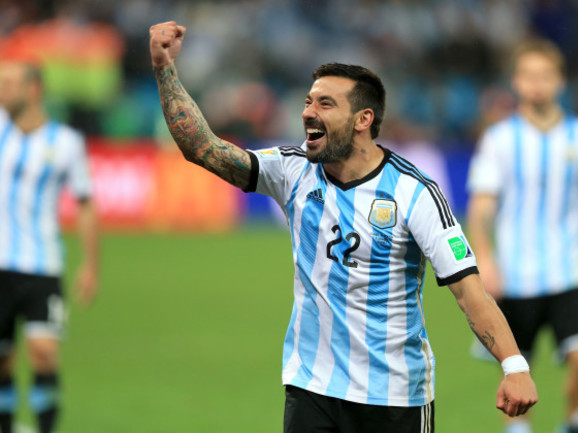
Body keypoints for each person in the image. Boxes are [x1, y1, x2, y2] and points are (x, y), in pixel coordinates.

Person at [149, 21, 537, 433]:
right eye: (308, 101)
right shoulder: (292, 169)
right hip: (312, 387)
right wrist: (163, 67)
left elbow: (468, 291)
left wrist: (513, 365)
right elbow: (203, 148)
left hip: (394, 397)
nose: (307, 112)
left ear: (362, 119)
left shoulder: (414, 193)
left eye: (325, 104)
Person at [467, 39, 578, 433]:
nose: (537, 84)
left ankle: (573, 426)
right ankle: (519, 429)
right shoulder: (500, 139)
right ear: (517, 82)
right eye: (529, 76)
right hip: (516, 275)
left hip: (571, 271)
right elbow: (481, 208)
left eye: (545, 76)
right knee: (517, 371)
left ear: (560, 81)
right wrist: (485, 259)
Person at [0, 58, 100, 433]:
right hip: (0, 264)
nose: (2, 91)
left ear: (34, 89)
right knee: (3, 362)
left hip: (43, 265)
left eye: (9, 83)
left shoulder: (66, 143)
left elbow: (86, 203)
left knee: (43, 352)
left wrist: (91, 265)